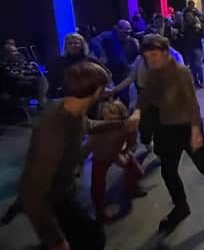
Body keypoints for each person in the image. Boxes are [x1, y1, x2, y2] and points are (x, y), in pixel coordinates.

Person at [16, 62, 136, 250]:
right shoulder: (54, 128)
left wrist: (121, 124)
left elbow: (88, 125)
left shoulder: (70, 107)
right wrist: (55, 240)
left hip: (62, 190)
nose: (106, 92)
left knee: (90, 237)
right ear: (96, 91)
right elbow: (33, 194)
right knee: (92, 239)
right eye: (103, 87)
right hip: (52, 196)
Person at [133, 35, 204, 232]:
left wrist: (196, 131)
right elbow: (146, 94)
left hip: (186, 128)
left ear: (165, 52)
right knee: (168, 171)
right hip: (165, 129)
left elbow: (192, 104)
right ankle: (181, 207)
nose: (151, 59)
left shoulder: (180, 72)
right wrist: (137, 112)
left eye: (154, 55)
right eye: (147, 56)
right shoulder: (154, 71)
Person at [88, 100, 146, 223]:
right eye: (106, 114)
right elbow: (89, 146)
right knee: (98, 187)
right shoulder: (98, 128)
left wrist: (125, 151)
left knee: (137, 172)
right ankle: (100, 212)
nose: (109, 117)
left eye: (112, 113)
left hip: (116, 152)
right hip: (101, 157)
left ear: (120, 114)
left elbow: (132, 144)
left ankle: (132, 187)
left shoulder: (126, 126)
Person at [91, 20, 139, 108]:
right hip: (109, 74)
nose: (127, 32)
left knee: (125, 99)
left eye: (129, 30)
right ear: (116, 28)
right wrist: (101, 54)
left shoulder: (132, 41)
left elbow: (136, 56)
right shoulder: (107, 36)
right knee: (108, 99)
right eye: (124, 30)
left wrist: (131, 66)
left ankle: (123, 117)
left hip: (124, 74)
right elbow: (94, 41)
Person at [47, 33, 109, 99]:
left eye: (76, 43)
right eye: (70, 43)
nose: (73, 45)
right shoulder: (59, 61)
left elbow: (106, 74)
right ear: (66, 46)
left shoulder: (90, 60)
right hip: (64, 96)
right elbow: (52, 80)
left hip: (87, 96)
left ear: (82, 45)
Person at [0, 41, 48, 107]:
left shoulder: (18, 61)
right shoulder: (3, 65)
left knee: (41, 79)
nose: (16, 53)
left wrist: (31, 72)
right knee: (38, 82)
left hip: (23, 80)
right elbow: (10, 77)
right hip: (14, 86)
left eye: (16, 51)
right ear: (6, 54)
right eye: (13, 52)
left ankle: (42, 99)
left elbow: (27, 70)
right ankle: (41, 100)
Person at [182, 11, 204, 88]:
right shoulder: (185, 26)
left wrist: (199, 29)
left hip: (197, 47)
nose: (188, 17)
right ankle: (195, 81)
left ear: (193, 16)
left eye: (190, 15)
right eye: (187, 16)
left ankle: (201, 81)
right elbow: (182, 36)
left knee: (198, 65)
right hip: (188, 48)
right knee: (192, 66)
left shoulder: (198, 25)